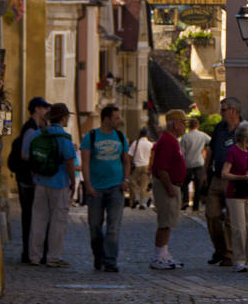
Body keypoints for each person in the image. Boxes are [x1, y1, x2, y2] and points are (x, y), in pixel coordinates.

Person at [204, 97, 248, 266]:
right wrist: (204, 172)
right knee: (211, 215)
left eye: (223, 109)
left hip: (237, 181)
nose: (220, 112)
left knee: (233, 221)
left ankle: (229, 255)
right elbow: (210, 151)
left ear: (233, 111)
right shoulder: (219, 128)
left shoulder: (246, 129)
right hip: (217, 178)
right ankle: (220, 249)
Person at [25, 102, 76, 268]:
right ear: (63, 118)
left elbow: (31, 157)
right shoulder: (64, 138)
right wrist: (73, 182)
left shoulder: (38, 134)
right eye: (67, 116)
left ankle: (34, 256)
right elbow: (69, 161)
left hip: (40, 182)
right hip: (59, 182)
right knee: (58, 222)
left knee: (38, 220)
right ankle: (53, 257)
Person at [81, 105, 131, 272]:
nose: (119, 120)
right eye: (116, 118)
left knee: (113, 227)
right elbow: (85, 163)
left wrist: (125, 179)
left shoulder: (120, 136)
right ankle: (98, 256)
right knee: (94, 226)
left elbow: (126, 160)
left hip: (115, 187)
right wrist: (87, 184)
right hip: (96, 188)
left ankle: (110, 261)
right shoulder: (91, 136)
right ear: (106, 119)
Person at [221, 120, 248, 272]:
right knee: (239, 229)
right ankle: (239, 260)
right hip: (235, 194)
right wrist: (241, 177)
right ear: (246, 136)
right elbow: (225, 173)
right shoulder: (233, 151)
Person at [13, 96, 51, 264]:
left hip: (29, 179)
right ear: (37, 109)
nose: (46, 111)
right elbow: (24, 154)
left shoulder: (35, 127)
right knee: (31, 217)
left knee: (33, 217)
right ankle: (29, 252)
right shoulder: (30, 129)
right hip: (28, 180)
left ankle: (31, 251)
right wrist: (40, 159)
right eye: (44, 108)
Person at [150, 109, 188, 270]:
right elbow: (161, 169)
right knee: (165, 222)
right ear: (174, 124)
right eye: (182, 123)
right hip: (168, 185)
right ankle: (158, 256)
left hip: (173, 185)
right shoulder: (167, 141)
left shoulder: (172, 140)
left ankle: (164, 253)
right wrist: (169, 188)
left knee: (169, 222)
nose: (184, 126)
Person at [179, 116, 210, 211]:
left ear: (189, 126)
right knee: (198, 185)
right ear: (198, 125)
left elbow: (181, 152)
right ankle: (196, 206)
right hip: (199, 163)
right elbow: (212, 142)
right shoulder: (203, 135)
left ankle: (185, 201)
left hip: (187, 163)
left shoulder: (185, 137)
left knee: (184, 183)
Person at [128, 128, 153, 209]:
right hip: (146, 166)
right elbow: (152, 157)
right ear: (147, 135)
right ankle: (142, 203)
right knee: (144, 185)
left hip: (137, 166)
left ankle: (135, 197)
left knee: (132, 182)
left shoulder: (135, 143)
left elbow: (130, 155)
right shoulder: (150, 144)